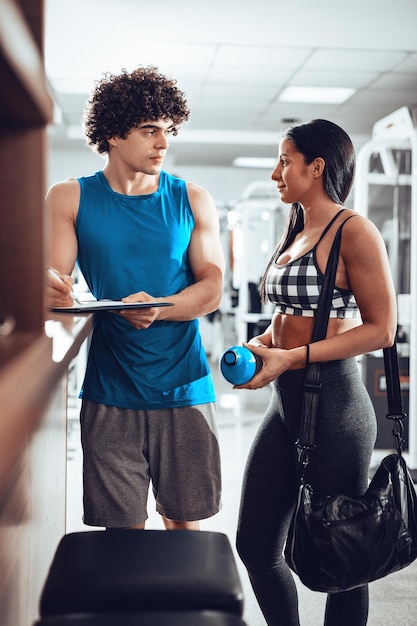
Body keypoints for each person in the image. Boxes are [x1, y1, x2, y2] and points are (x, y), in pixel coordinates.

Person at [45, 66, 225, 531]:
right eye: (150, 130)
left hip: (184, 389)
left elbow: (211, 288)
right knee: (121, 536)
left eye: (168, 131)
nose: (163, 143)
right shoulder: (69, 198)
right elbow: (55, 284)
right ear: (112, 133)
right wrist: (46, 286)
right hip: (109, 392)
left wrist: (160, 306)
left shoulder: (191, 198)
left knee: (184, 529)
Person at [235, 119, 397, 625]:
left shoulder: (353, 230)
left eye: (284, 160)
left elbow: (381, 329)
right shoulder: (296, 228)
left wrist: (294, 357)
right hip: (285, 402)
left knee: (343, 556)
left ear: (316, 166)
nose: (275, 173)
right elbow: (288, 317)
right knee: (257, 546)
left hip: (335, 405)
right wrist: (263, 343)